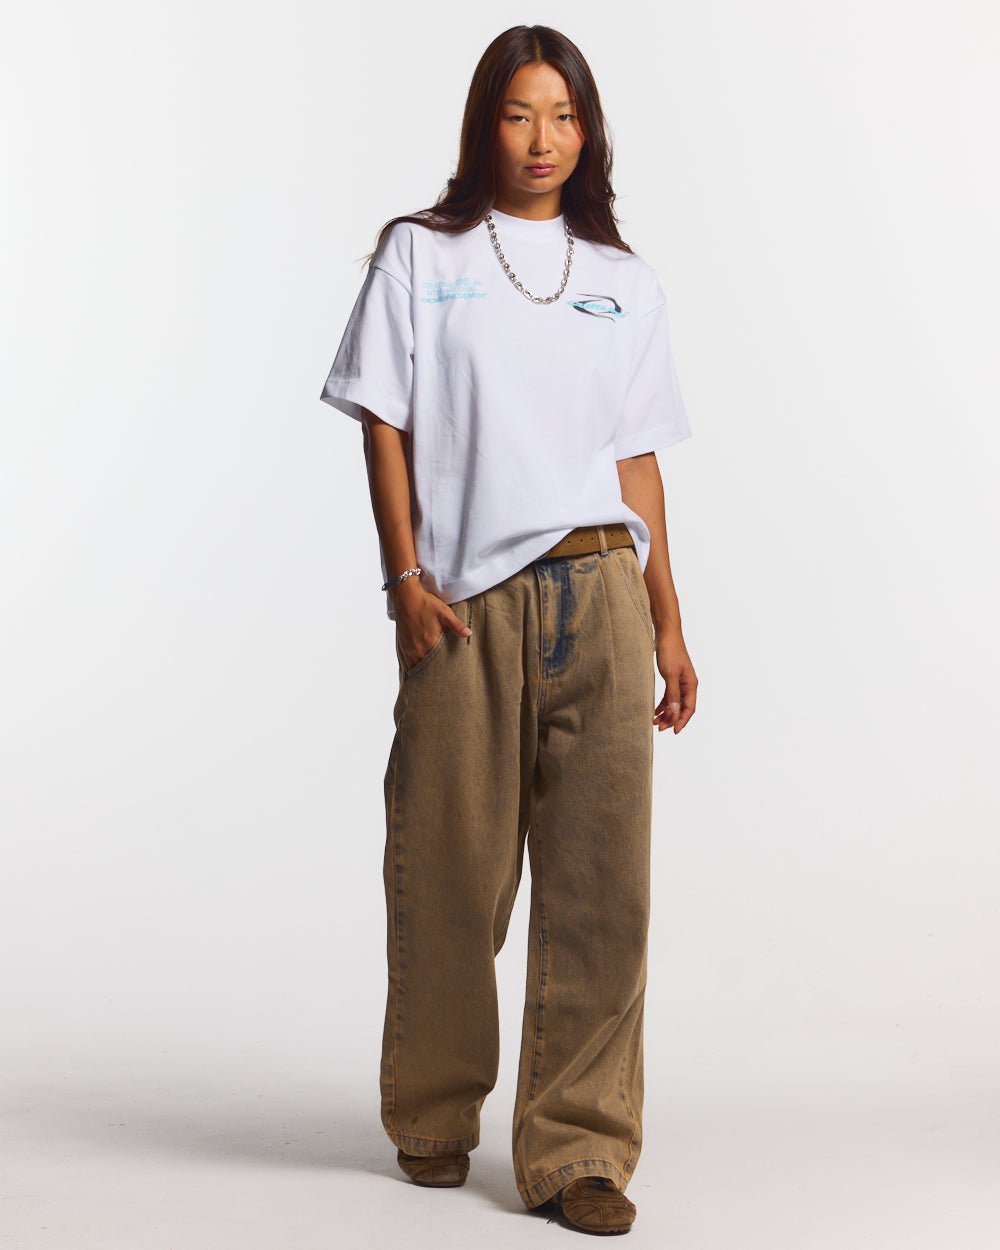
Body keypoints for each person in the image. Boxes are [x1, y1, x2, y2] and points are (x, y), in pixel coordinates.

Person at [318, 24, 698, 1236]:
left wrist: (669, 622)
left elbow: (634, 461)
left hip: (601, 593)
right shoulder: (421, 253)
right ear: (486, 120)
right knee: (446, 869)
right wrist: (404, 576)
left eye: (565, 116)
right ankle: (434, 1113)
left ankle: (578, 1146)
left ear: (589, 132)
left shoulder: (622, 278)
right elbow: (383, 419)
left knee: (602, 886)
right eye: (521, 113)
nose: (544, 139)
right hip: (466, 606)